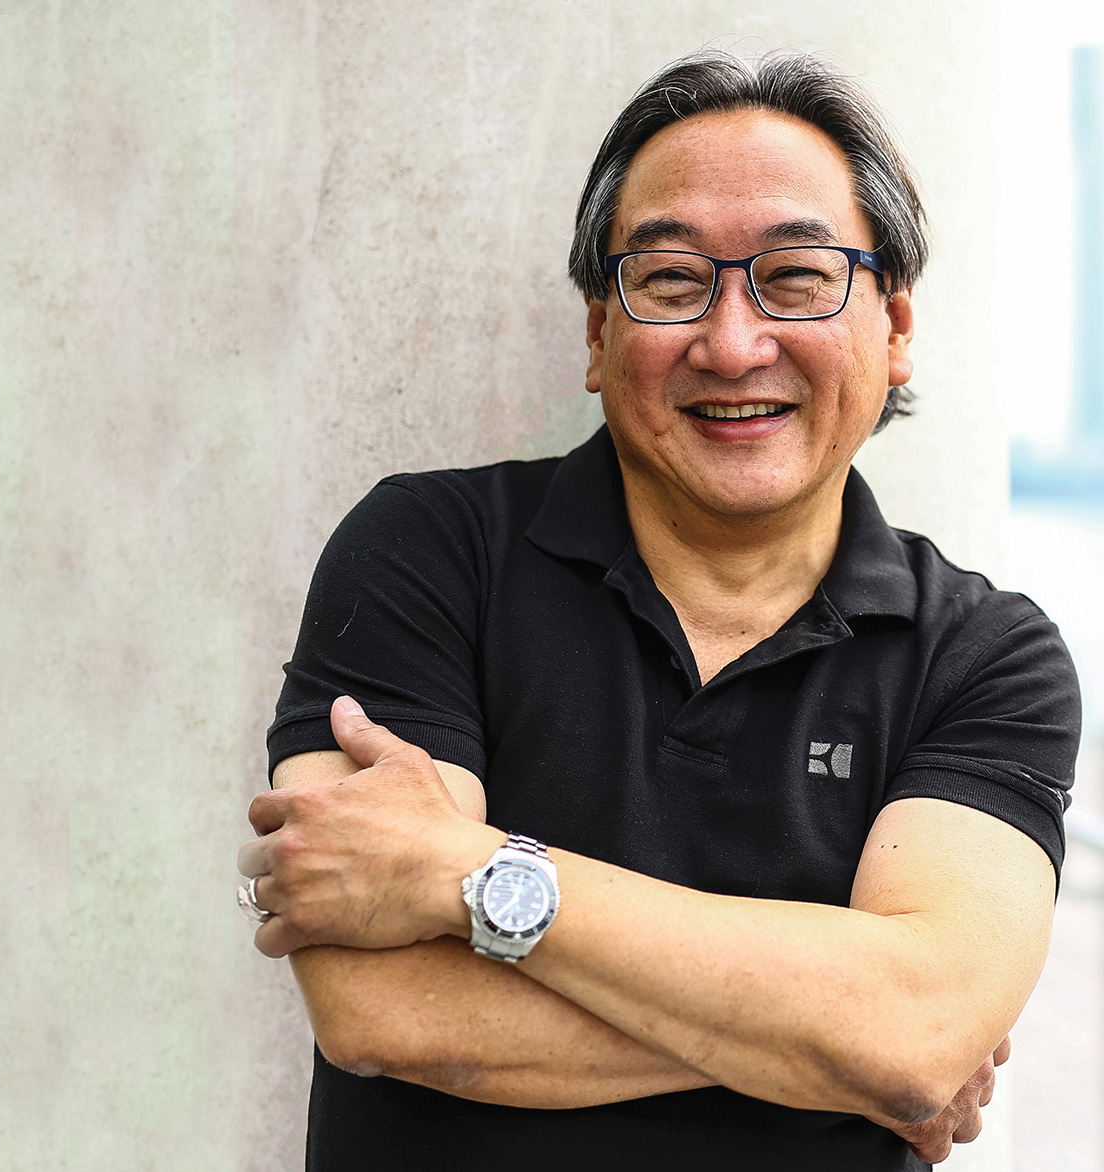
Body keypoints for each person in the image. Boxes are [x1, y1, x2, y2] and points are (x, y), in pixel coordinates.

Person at [237, 51, 1080, 1171]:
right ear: (598, 333)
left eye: (796, 277)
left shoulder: (986, 655)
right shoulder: (426, 551)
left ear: (895, 328)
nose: (732, 344)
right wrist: (838, 1038)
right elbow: (384, 1009)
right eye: (673, 280)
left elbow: (918, 1034)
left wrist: (468, 872)